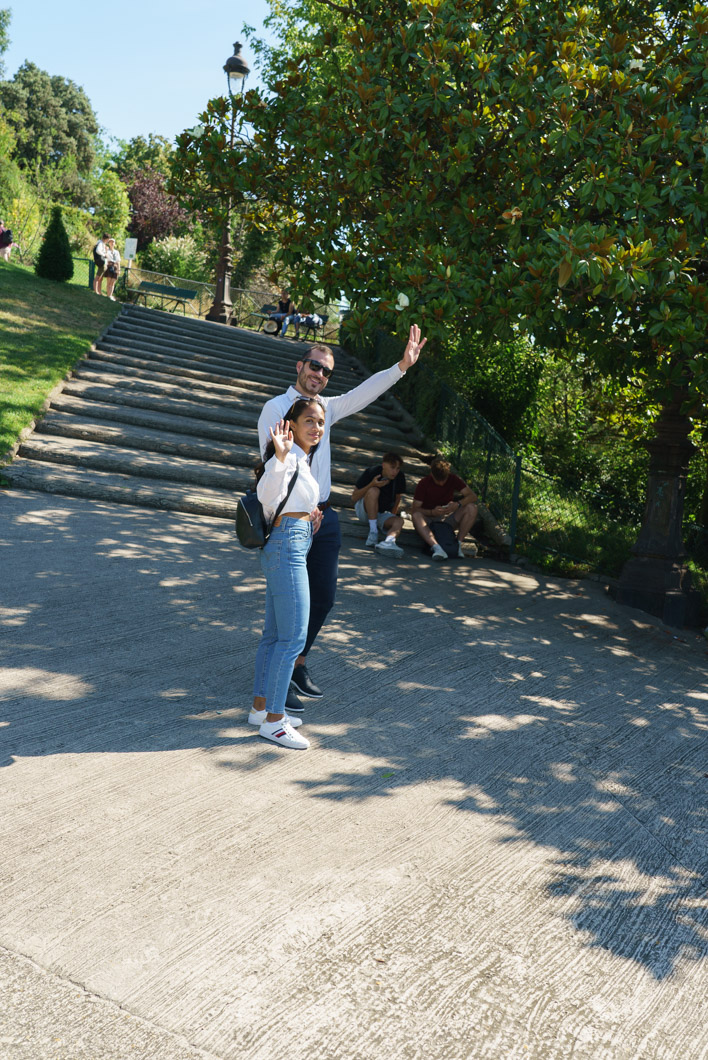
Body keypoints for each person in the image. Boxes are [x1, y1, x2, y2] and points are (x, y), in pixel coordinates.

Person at [257, 325, 427, 706]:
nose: (319, 374)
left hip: (324, 517)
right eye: (315, 366)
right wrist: (299, 509)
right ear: (300, 365)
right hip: (292, 518)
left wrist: (401, 365)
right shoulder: (276, 408)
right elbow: (270, 467)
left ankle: (298, 663)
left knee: (324, 598)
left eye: (326, 371)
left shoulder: (325, 411)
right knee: (288, 605)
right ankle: (277, 685)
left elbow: (363, 394)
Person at [250, 398, 326, 750]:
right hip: (285, 548)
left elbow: (289, 506)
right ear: (291, 424)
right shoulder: (287, 456)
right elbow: (265, 496)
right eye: (309, 420)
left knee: (275, 635)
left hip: (291, 543)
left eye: (321, 422)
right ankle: (275, 722)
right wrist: (278, 459)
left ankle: (261, 708)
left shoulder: (301, 459)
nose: (316, 427)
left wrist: (309, 524)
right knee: (293, 638)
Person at [411, 458, 479, 561]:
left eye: (444, 479)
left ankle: (458, 545)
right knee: (416, 515)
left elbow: (473, 496)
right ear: (432, 475)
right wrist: (432, 512)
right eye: (438, 480)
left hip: (445, 522)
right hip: (428, 522)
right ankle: (436, 548)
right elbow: (415, 509)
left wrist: (458, 504)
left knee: (472, 508)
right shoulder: (424, 483)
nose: (441, 483)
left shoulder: (453, 479)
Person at [351, 452, 406, 558]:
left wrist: (392, 515)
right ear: (384, 465)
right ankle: (373, 532)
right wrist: (372, 484)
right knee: (374, 491)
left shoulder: (400, 477)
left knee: (399, 520)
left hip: (381, 513)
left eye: (398, 468)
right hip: (364, 511)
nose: (395, 472)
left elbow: (398, 498)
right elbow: (354, 497)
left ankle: (388, 542)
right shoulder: (372, 472)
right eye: (392, 467)